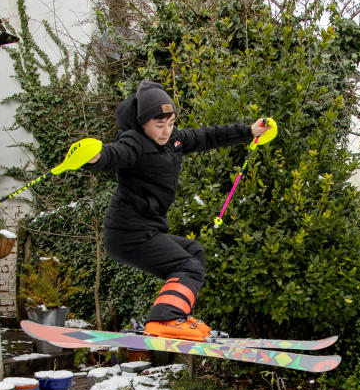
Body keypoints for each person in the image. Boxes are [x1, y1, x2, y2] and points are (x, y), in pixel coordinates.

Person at [84, 80, 273, 341]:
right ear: (143, 123)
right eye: (158, 125)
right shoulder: (134, 142)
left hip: (148, 230)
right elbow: (113, 154)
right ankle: (165, 319)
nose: (165, 131)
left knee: (195, 252)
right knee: (188, 266)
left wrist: (249, 131)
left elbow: (209, 136)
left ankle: (176, 317)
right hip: (127, 233)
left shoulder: (175, 140)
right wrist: (94, 157)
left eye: (170, 123)